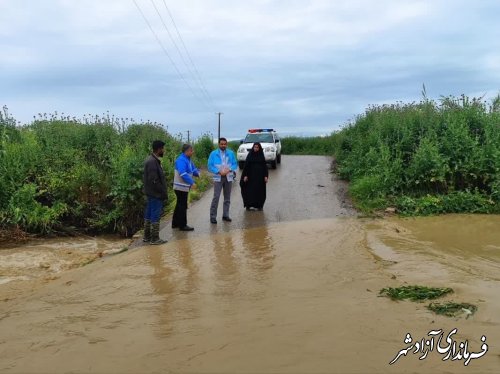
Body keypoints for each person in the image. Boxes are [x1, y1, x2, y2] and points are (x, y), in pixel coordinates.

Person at [143, 140, 168, 245]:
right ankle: (154, 239)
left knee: (149, 214)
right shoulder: (153, 162)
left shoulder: (151, 160)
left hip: (150, 193)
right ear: (158, 149)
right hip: (155, 194)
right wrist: (162, 192)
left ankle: (147, 237)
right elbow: (154, 180)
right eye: (163, 148)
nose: (164, 150)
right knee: (155, 215)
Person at [207, 137, 238, 224]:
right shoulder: (213, 154)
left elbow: (235, 164)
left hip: (228, 176)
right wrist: (219, 171)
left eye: (225, 144)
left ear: (226, 144)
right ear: (219, 144)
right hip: (218, 177)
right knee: (216, 197)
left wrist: (229, 170)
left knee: (227, 197)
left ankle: (225, 215)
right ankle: (213, 216)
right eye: (222, 144)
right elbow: (209, 166)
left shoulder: (231, 153)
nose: (223, 145)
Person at [172, 144, 200, 231]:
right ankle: (183, 225)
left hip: (183, 186)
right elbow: (182, 173)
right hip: (180, 186)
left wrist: (197, 173)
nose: (193, 152)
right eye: (191, 151)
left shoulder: (188, 159)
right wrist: (192, 182)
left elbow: (193, 169)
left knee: (179, 205)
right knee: (182, 206)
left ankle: (175, 223)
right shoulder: (181, 160)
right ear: (187, 151)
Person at [240, 142, 268, 211]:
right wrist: (245, 175)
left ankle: (259, 205)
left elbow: (265, 167)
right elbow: (246, 166)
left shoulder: (261, 155)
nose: (256, 148)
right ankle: (248, 205)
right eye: (255, 147)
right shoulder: (250, 155)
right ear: (253, 147)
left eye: (257, 147)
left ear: (259, 148)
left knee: (259, 191)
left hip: (260, 177)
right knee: (249, 190)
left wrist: (266, 176)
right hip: (250, 177)